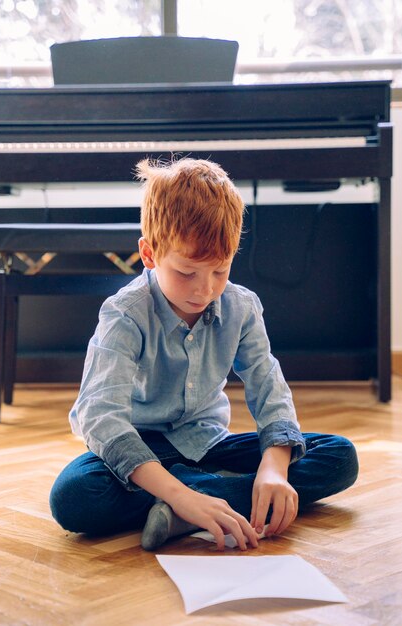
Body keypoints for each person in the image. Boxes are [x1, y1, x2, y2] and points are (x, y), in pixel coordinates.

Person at [50, 158, 358, 551]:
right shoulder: (125, 313)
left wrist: (274, 469)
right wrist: (180, 493)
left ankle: (195, 503)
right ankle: (205, 497)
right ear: (149, 254)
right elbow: (101, 418)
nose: (204, 290)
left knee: (339, 455)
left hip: (209, 445)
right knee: (74, 497)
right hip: (143, 449)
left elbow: (270, 390)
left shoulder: (242, 307)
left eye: (220, 271)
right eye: (186, 272)